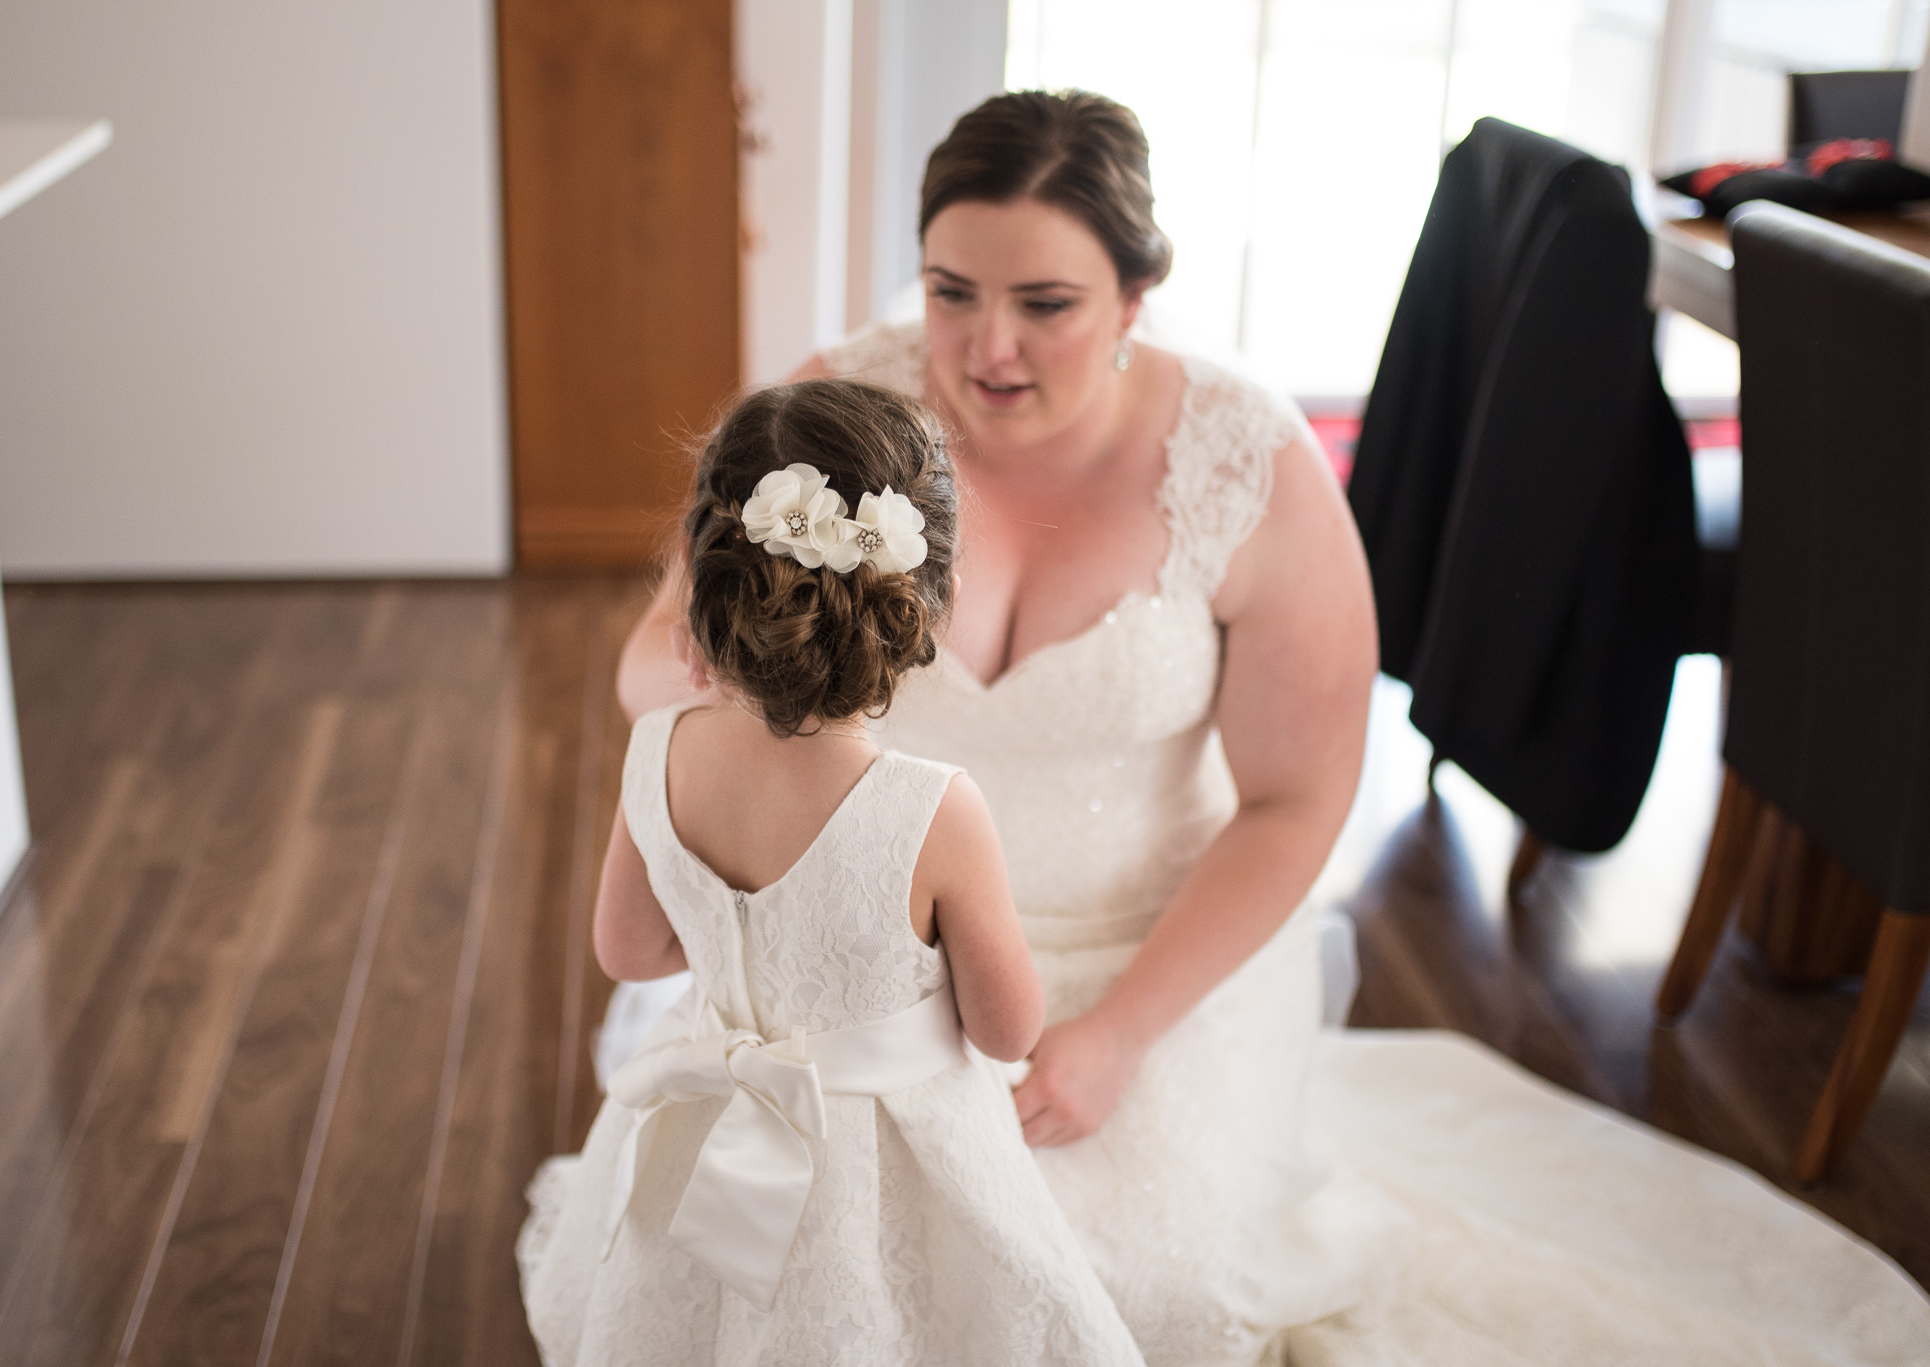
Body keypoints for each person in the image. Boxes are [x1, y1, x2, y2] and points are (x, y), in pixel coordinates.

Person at [601, 91, 1930, 1365]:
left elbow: (1299, 796)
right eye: (950, 291)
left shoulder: (1247, 459)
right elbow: (656, 660)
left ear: (1135, 297)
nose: (984, 348)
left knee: (1131, 1288)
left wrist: (1118, 1031)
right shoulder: (838, 420)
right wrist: (759, 780)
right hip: (861, 944)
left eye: (1045, 304)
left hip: (1154, 947)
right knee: (779, 1270)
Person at [517, 378, 1144, 1366]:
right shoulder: (933, 808)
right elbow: (1007, 1025)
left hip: (708, 1119)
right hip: (884, 1165)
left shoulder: (658, 751)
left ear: (700, 580)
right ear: (921, 599)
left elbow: (628, 948)